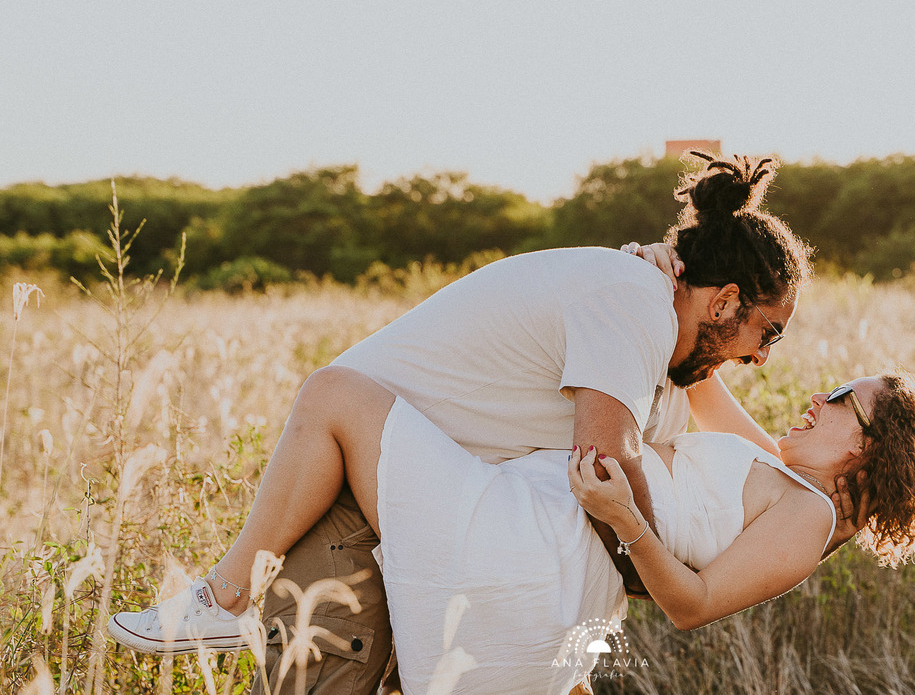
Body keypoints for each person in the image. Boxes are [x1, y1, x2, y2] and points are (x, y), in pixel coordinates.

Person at [106, 151, 826, 692]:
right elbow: (605, 467)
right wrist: (665, 563)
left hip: (414, 501)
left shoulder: (661, 348)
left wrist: (812, 499)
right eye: (770, 333)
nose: (763, 358)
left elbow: (752, 454)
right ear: (725, 301)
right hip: (354, 505)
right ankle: (223, 596)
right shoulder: (632, 302)